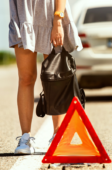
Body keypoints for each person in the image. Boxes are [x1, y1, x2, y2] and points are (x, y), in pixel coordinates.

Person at [9, 0, 82, 154]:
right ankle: (25, 138)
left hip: (51, 15)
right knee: (26, 78)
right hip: (24, 16)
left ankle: (57, 136)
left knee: (55, 79)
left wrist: (58, 19)